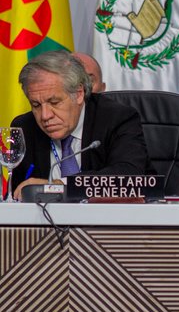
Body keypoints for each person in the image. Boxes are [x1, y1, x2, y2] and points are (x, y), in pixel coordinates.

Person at [11, 50, 153, 200]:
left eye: (54, 102)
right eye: (36, 105)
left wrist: (58, 186)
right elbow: (14, 190)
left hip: (107, 220)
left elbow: (128, 174)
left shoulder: (117, 118)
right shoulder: (24, 127)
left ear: (79, 94)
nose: (45, 115)